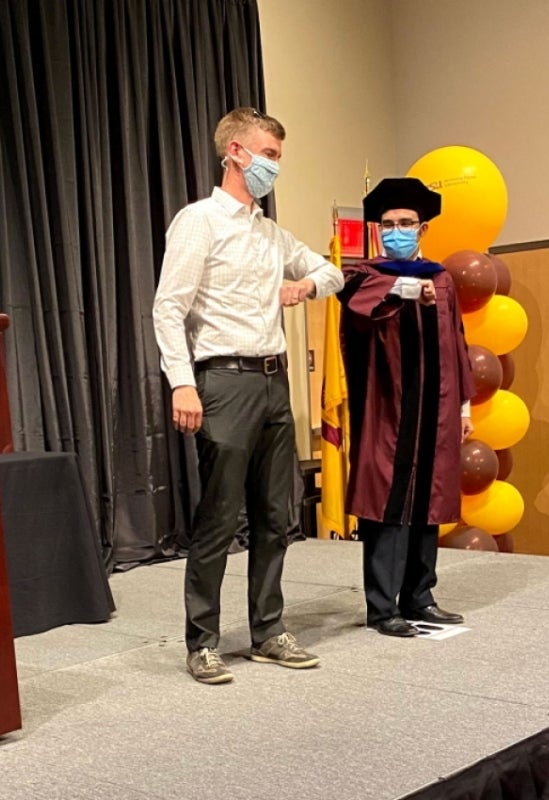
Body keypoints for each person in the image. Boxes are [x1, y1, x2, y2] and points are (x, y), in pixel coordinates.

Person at [152, 107, 345, 684]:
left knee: (272, 514)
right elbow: (168, 308)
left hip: (272, 379)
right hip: (223, 379)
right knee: (219, 516)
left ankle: (268, 630)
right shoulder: (199, 222)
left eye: (278, 157)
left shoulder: (270, 233)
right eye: (269, 155)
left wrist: (305, 284)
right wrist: (182, 382)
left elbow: (331, 273)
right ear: (235, 151)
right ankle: (203, 640)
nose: (273, 166)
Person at [338, 177, 477, 637]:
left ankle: (420, 597)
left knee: (428, 501)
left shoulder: (442, 279)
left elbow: (456, 341)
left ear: (423, 230)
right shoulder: (366, 277)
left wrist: (462, 407)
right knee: (387, 503)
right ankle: (383, 607)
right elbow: (359, 316)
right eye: (390, 224)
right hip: (388, 411)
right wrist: (401, 291)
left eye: (407, 223)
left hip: (435, 411)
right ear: (379, 230)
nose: (398, 230)